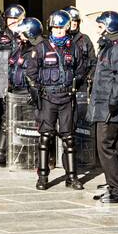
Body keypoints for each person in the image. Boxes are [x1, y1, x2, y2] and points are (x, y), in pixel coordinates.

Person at [26, 10, 83, 190]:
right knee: (45, 138)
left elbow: (80, 69)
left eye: (62, 28)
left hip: (66, 98)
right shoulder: (41, 48)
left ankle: (72, 177)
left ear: (67, 28)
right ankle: (42, 177)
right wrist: (37, 95)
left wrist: (75, 86)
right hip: (48, 98)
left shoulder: (74, 47)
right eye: (56, 28)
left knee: (69, 139)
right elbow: (31, 74)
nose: (59, 31)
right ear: (51, 28)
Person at [90, 11, 118, 204]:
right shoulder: (108, 46)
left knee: (105, 146)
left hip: (110, 107)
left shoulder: (116, 47)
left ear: (109, 27)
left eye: (100, 26)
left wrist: (114, 101)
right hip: (103, 105)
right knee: (107, 147)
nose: (97, 29)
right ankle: (113, 184)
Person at [0, 3, 26, 168]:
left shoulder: (26, 36)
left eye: (16, 19)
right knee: (0, 118)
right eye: (10, 18)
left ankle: (5, 153)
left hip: (19, 83)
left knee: (14, 118)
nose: (13, 22)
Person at [65, 6, 96, 90]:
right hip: (64, 83)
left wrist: (89, 78)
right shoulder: (59, 39)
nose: (74, 23)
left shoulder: (85, 39)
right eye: (72, 21)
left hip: (82, 83)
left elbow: (93, 61)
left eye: (76, 21)